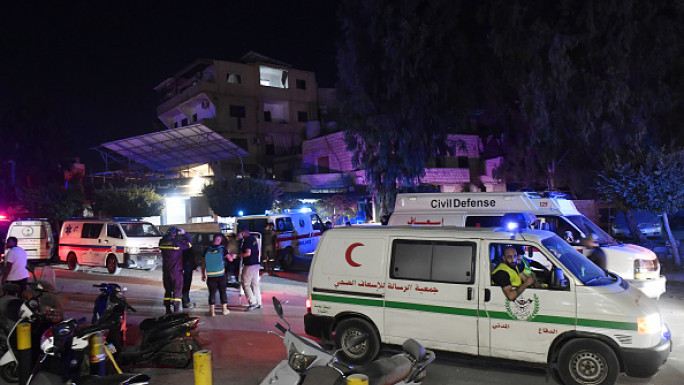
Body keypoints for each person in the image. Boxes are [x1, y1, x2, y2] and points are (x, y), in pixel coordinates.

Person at [159, 226, 192, 314]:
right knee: (177, 290)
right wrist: (185, 234)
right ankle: (176, 310)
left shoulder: (162, 242)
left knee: (168, 290)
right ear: (175, 234)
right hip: (176, 271)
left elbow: (164, 239)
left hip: (166, 271)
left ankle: (167, 310)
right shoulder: (177, 243)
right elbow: (189, 244)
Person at [233, 226, 261, 311]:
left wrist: (237, 256)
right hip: (256, 264)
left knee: (245, 284)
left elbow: (248, 253)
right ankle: (259, 302)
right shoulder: (253, 239)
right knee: (254, 284)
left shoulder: (247, 241)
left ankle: (253, 303)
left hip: (249, 265)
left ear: (243, 232)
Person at [201, 234, 230, 316]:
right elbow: (230, 259)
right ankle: (224, 310)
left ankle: (212, 312)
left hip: (210, 275)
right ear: (219, 240)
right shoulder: (222, 249)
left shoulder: (206, 249)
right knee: (223, 291)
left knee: (212, 293)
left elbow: (203, 263)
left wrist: (203, 274)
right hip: (221, 274)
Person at [181, 236, 198, 309]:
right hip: (187, 268)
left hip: (179, 268)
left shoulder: (179, 246)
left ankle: (178, 302)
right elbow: (191, 258)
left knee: (179, 286)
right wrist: (194, 267)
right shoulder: (189, 247)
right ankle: (185, 302)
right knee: (186, 286)